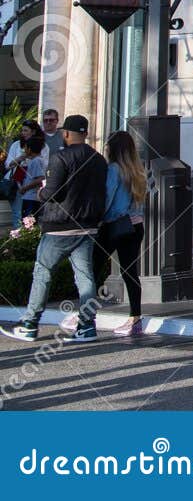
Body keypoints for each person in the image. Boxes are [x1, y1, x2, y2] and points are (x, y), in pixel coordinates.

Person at [0, 115, 107, 343]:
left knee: (43, 273)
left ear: (65, 133)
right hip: (87, 227)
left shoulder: (61, 157)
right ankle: (87, 326)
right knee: (85, 277)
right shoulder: (98, 160)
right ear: (86, 133)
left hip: (59, 226)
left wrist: (41, 191)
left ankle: (29, 323)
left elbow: (52, 194)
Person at [98, 131, 147, 337]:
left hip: (114, 225)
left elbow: (107, 199)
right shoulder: (137, 169)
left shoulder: (114, 169)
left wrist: (96, 217)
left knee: (91, 268)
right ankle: (135, 318)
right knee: (130, 272)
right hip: (135, 226)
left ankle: (85, 314)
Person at [12, 136, 45, 222]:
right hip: (30, 197)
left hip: (31, 198)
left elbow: (40, 179)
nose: (24, 150)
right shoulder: (36, 160)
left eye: (26, 148)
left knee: (29, 223)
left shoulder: (36, 161)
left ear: (29, 149)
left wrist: (25, 188)